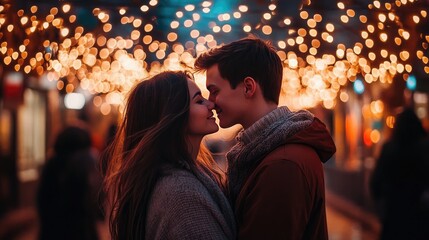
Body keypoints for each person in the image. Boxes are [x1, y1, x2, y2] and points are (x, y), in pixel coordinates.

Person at [194, 36, 336, 240]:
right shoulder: (268, 152)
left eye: (214, 91)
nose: (211, 103)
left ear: (248, 87)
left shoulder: (284, 165)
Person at [101, 71, 236, 240]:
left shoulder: (175, 179)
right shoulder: (182, 194)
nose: (211, 104)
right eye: (199, 101)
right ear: (174, 115)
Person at [370, 108, 429, 240]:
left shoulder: (389, 149)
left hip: (394, 213)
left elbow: (375, 182)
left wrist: (381, 208)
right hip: (419, 216)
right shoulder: (424, 149)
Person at [37, 125, 103, 240]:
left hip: (52, 229)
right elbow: (95, 200)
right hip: (81, 230)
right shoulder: (87, 163)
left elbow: (42, 200)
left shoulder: (51, 165)